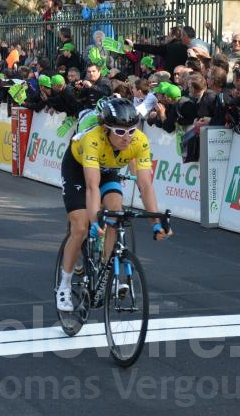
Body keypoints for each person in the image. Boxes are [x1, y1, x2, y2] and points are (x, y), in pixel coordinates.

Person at [56, 98, 170, 312]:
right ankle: (64, 284)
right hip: (78, 170)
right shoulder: (93, 139)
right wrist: (94, 221)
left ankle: (107, 271)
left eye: (131, 131)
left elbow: (145, 185)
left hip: (108, 170)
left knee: (116, 213)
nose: (127, 137)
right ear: (106, 129)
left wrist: (156, 222)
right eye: (119, 132)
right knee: (80, 228)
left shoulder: (139, 141)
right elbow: (92, 187)